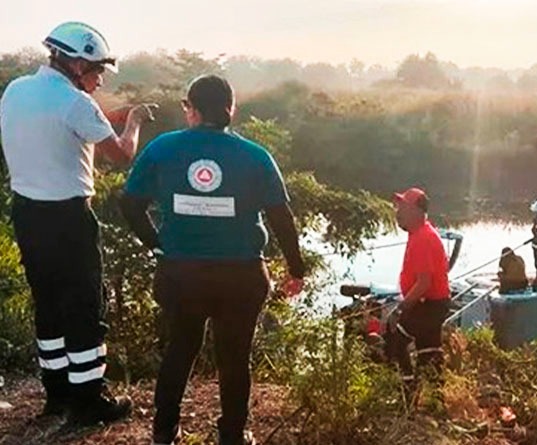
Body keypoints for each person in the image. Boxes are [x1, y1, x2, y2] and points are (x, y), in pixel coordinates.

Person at [120, 74, 307, 445]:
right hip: (240, 276)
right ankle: (233, 435)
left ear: (190, 109)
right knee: (235, 356)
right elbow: (281, 217)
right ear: (230, 110)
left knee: (181, 346)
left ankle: (163, 430)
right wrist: (296, 267)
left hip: (180, 274)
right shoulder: (255, 156)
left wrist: (157, 244)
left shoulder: (161, 148)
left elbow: (129, 204)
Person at [0, 21, 157, 425]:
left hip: (28, 213)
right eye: (96, 69)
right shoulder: (76, 105)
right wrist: (134, 119)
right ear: (74, 63)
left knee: (48, 303)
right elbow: (121, 154)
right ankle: (90, 401)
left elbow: (56, 121)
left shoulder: (17, 90)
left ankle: (57, 395)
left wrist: (104, 114)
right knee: (85, 306)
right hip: (69, 217)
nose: (101, 78)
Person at [385, 188, 450, 393]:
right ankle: (436, 400)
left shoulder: (423, 238)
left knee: (395, 339)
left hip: (429, 305)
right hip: (433, 304)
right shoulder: (420, 234)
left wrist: (400, 310)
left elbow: (423, 283)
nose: (397, 212)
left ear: (415, 211)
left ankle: (407, 391)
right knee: (429, 353)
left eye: (402, 207)